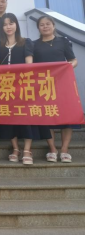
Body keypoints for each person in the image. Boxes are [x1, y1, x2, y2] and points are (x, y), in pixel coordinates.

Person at [0, 13, 50, 166]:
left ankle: (27, 150)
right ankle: (15, 148)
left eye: (11, 23)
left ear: (16, 25)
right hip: (5, 87)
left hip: (23, 86)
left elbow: (29, 65)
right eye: (5, 24)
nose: (8, 27)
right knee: (9, 117)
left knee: (26, 117)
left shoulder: (26, 42)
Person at [33, 15, 78, 163]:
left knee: (67, 116)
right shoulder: (34, 44)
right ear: (38, 28)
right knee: (47, 115)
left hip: (63, 83)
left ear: (53, 25)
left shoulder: (63, 41)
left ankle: (64, 149)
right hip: (44, 85)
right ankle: (52, 149)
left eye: (48, 24)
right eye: (42, 24)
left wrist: (69, 66)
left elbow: (73, 60)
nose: (45, 26)